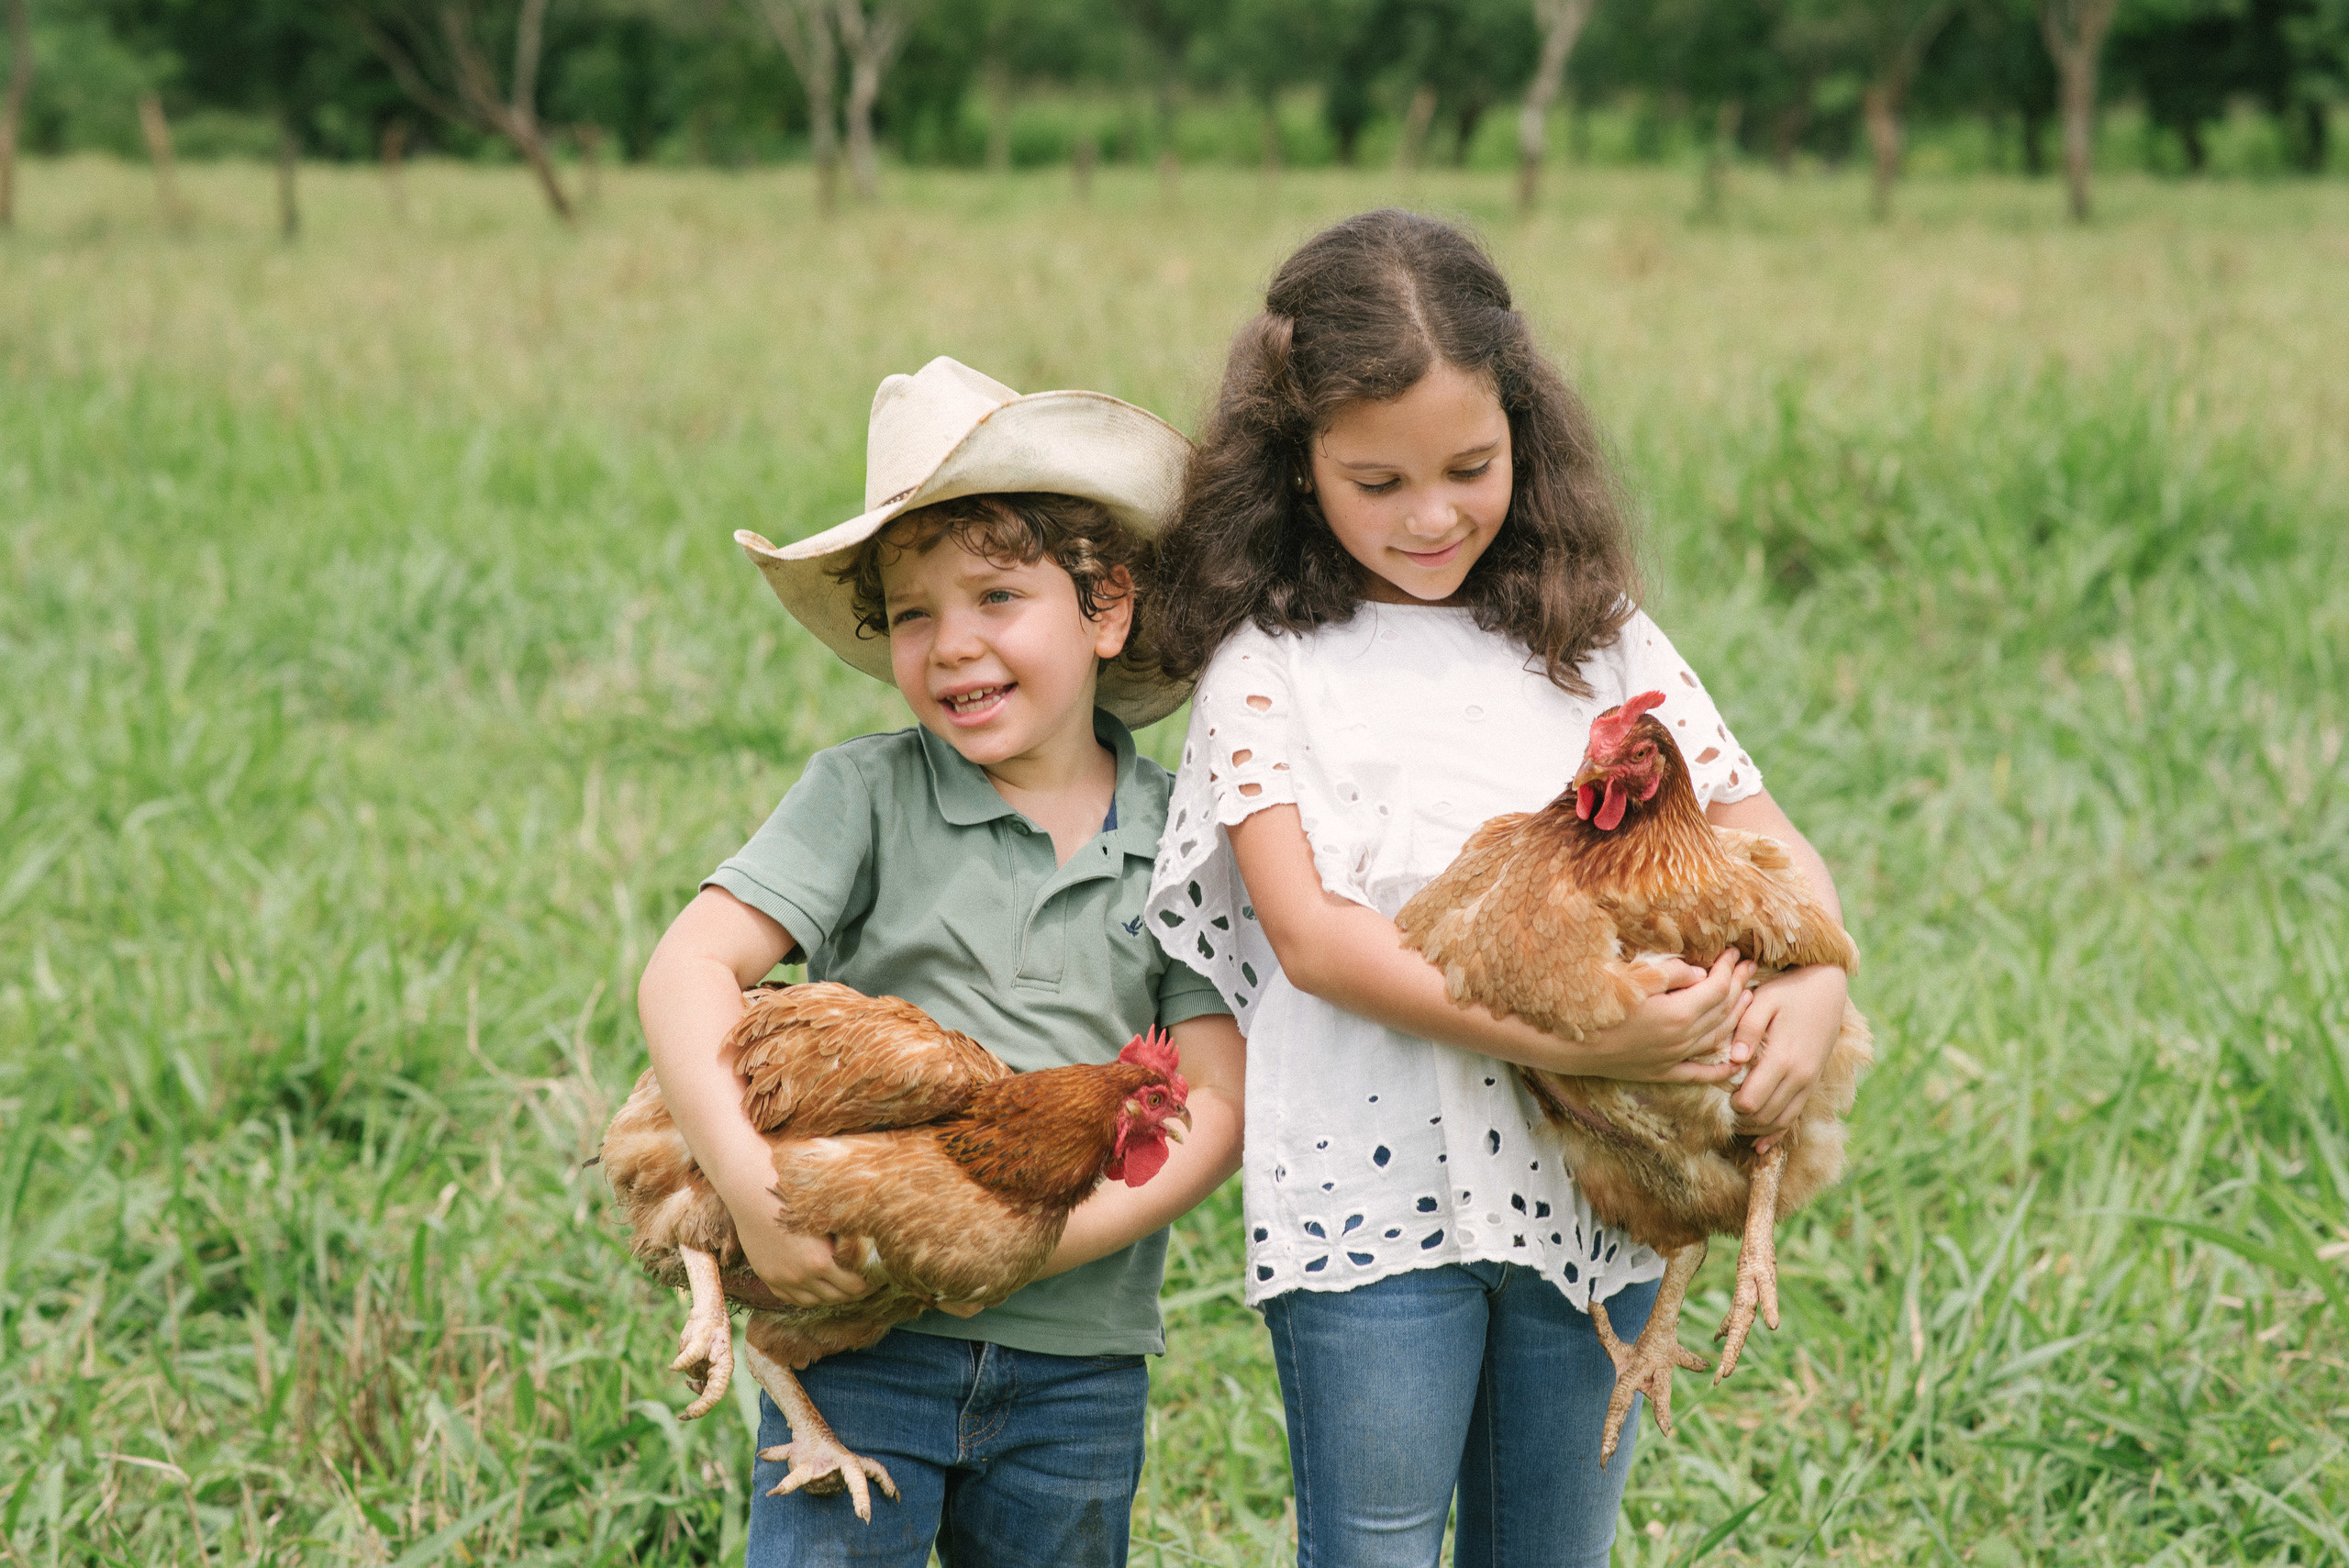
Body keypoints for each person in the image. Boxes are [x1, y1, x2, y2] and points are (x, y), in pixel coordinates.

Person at [1141, 211, 1850, 1567]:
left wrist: (1816, 986)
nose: (1432, 514)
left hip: (1601, 1190)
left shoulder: (1596, 639)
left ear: (1524, 429)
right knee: (1376, 1546)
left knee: (1551, 1546)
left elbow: (1773, 840)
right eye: (1376, 480)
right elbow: (1315, 939)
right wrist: (1581, 1032)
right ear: (1298, 469)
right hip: (1371, 1197)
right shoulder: (1270, 665)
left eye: (1470, 466)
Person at [636, 357, 1245, 1568]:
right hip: (858, 1343)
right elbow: (687, 969)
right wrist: (757, 1193)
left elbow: (1219, 1099)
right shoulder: (864, 795)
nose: (953, 644)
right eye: (914, 612)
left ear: (1107, 606)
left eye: (998, 596)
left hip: (1078, 1366)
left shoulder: (1188, 830)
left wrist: (1016, 1245)